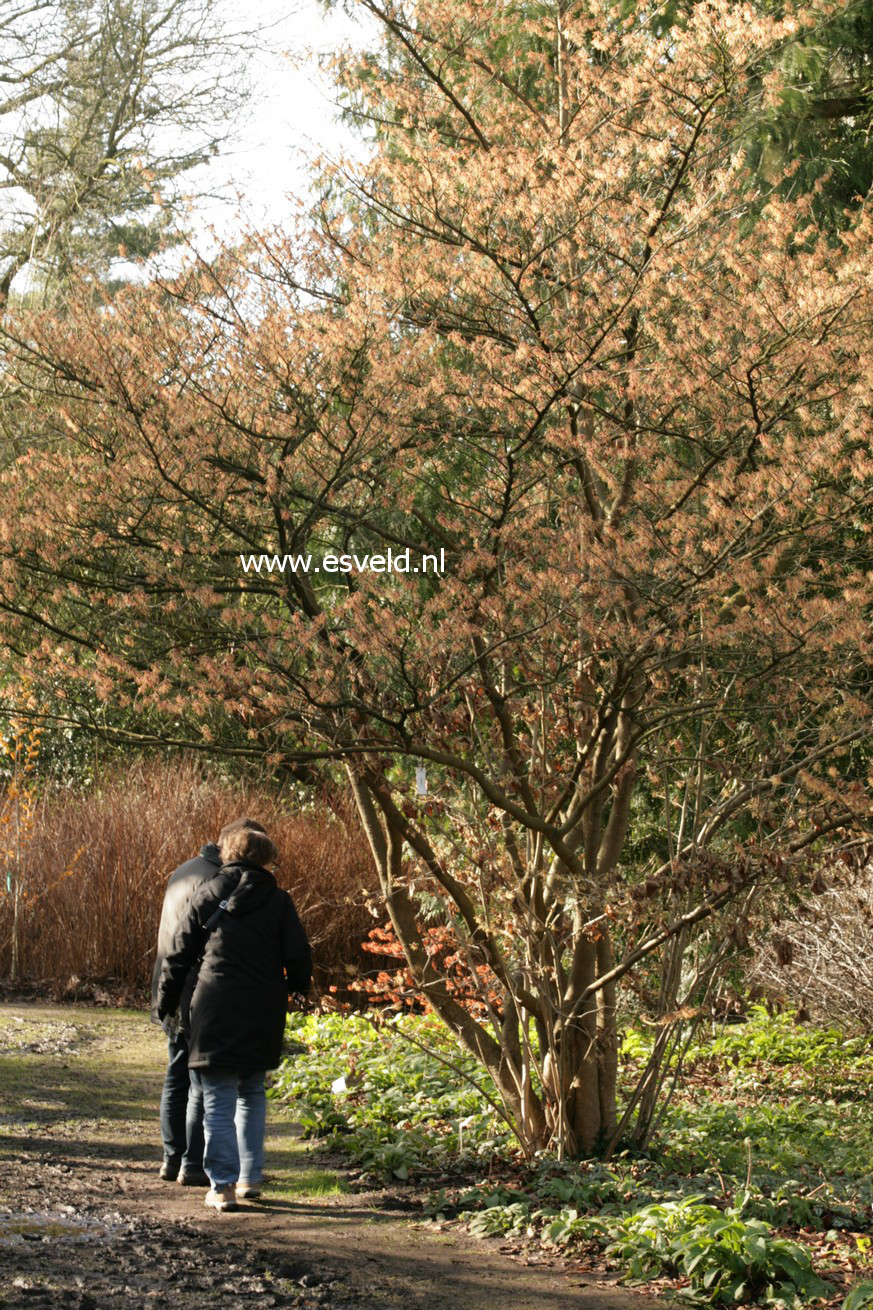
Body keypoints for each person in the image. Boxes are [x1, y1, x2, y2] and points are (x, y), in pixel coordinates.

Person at [156, 821, 311, 1212]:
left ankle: (221, 1186)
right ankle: (249, 1177)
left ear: (229, 854)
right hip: (263, 1006)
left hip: (215, 1004)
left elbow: (179, 953)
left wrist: (167, 1000)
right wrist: (296, 989)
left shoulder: (210, 892)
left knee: (219, 1095)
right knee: (252, 1092)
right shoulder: (280, 901)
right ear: (267, 861)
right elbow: (299, 957)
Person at [150, 817, 267, 1185]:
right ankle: (193, 1161)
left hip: (170, 981)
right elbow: (202, 945)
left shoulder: (182, 872)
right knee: (198, 1082)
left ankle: (174, 1158)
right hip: (196, 990)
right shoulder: (220, 884)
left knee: (177, 1073)